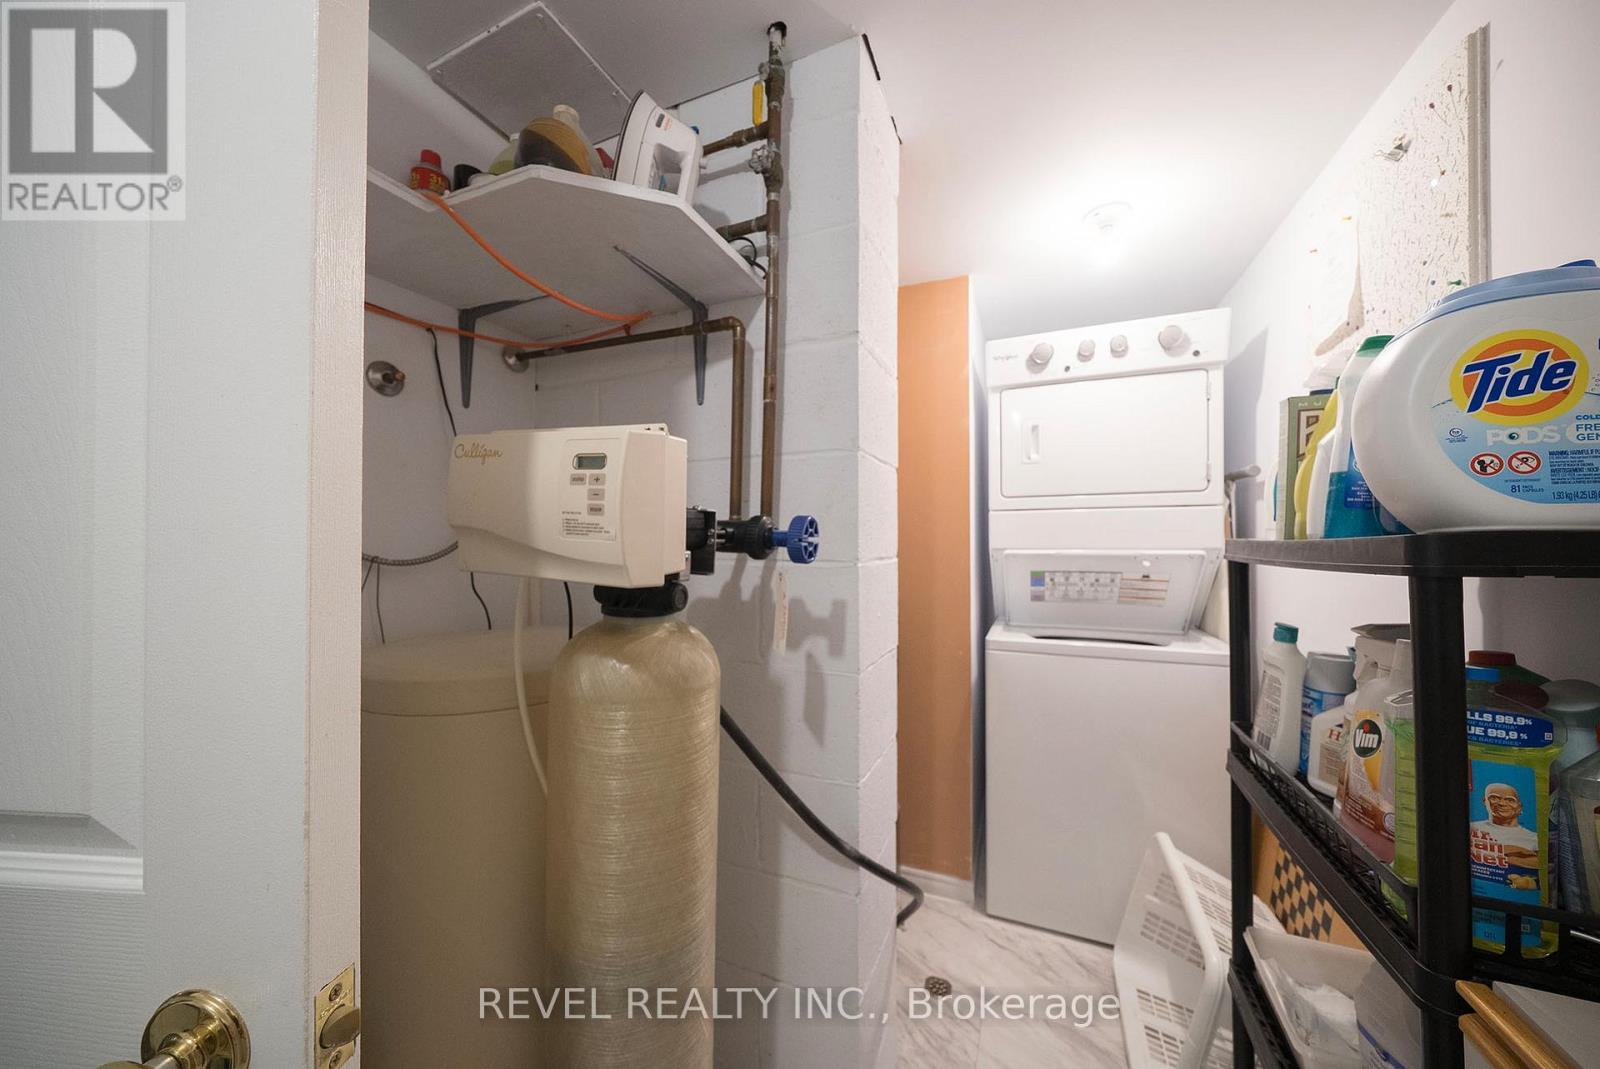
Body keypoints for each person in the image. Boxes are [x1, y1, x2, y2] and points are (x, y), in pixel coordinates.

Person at [1470, 782, 1540, 881]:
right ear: (1484, 801)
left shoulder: (1534, 839)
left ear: (1519, 806)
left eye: (1510, 800)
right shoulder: (1472, 828)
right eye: (1494, 798)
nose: (1502, 804)